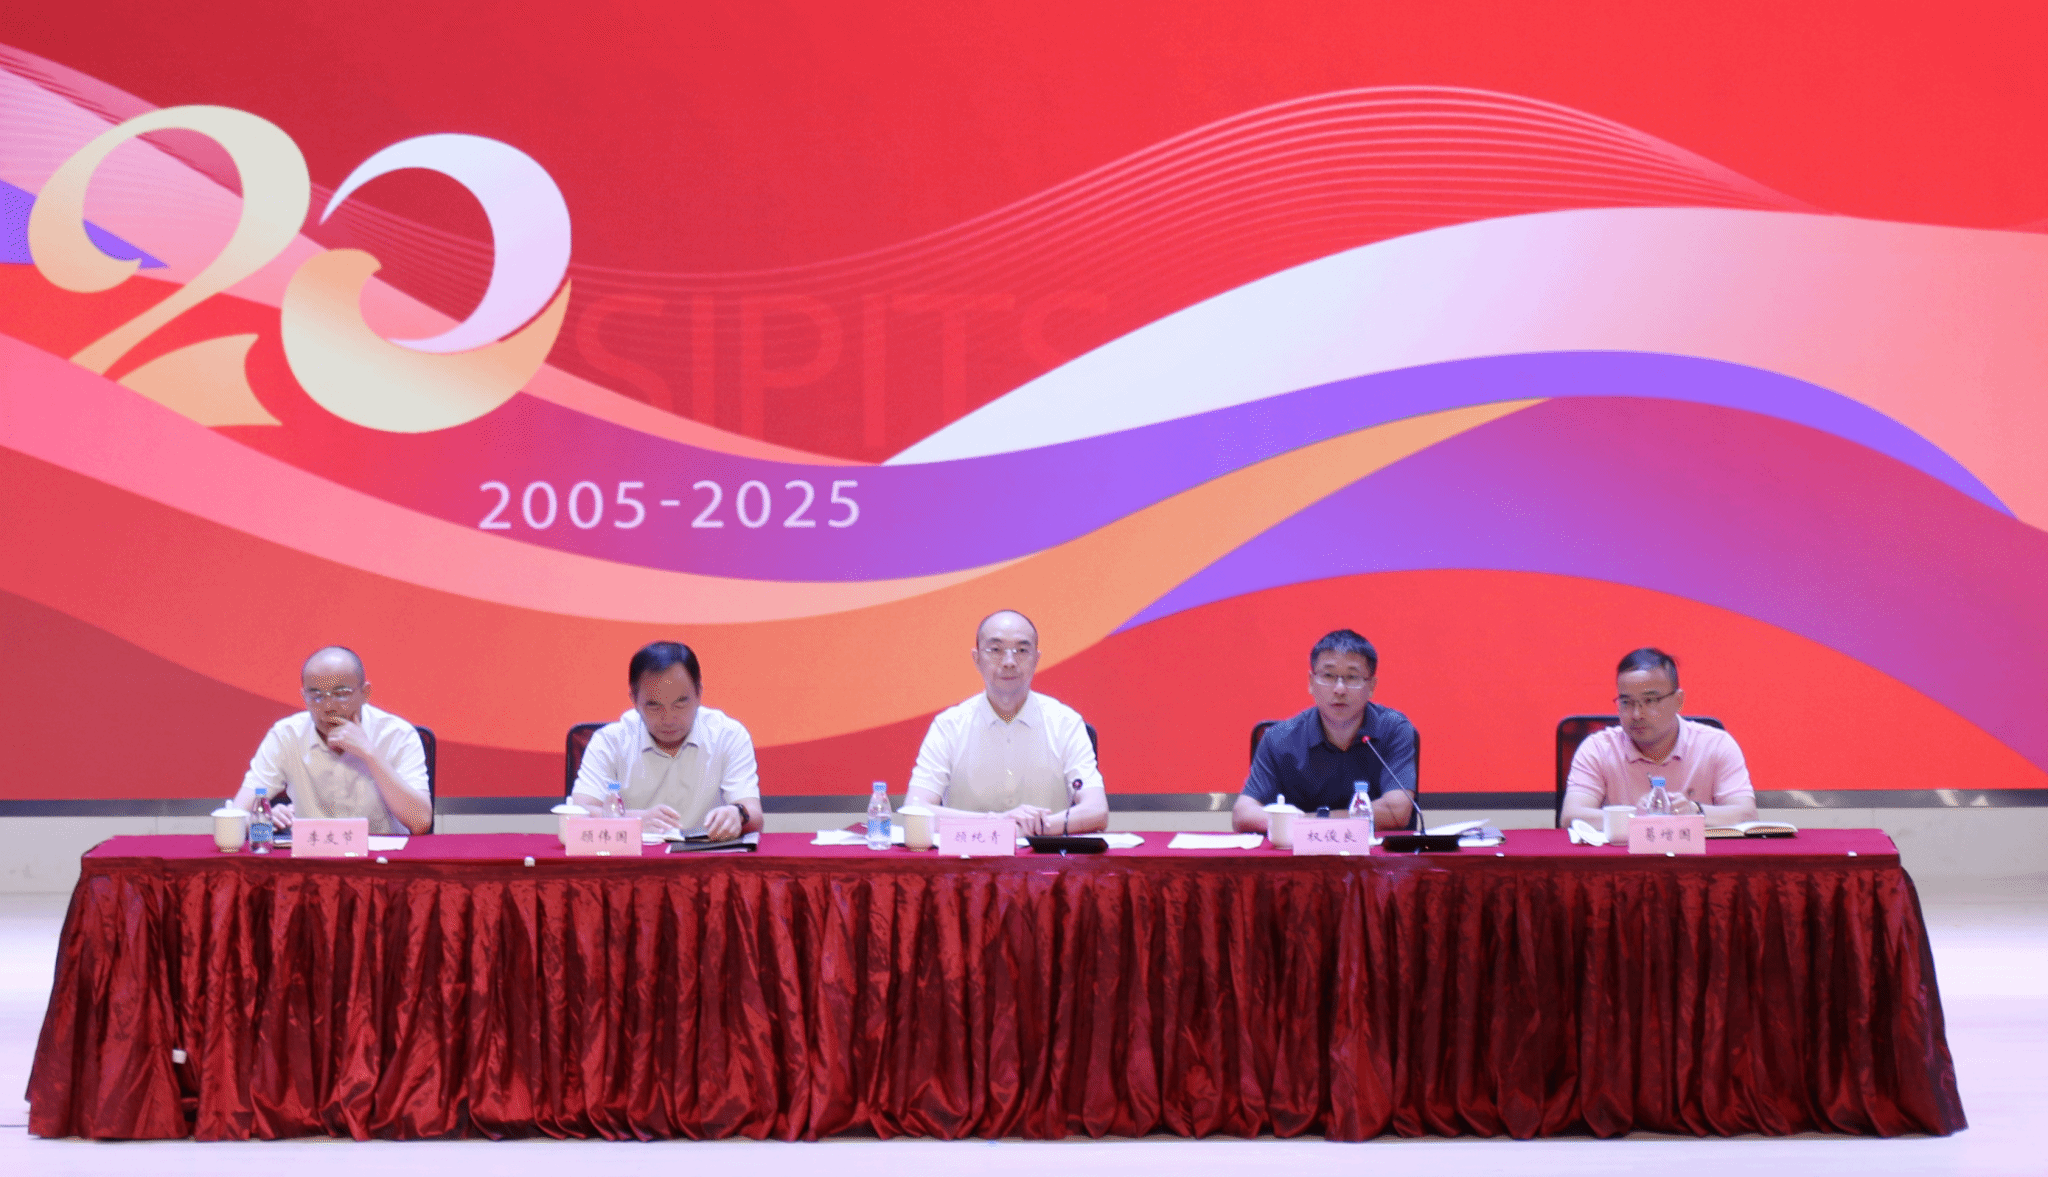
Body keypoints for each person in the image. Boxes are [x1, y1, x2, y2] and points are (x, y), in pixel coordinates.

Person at [905, 610, 1108, 835]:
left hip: (1046, 856)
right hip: (969, 856)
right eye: (995, 650)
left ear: (1036, 659)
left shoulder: (1066, 724)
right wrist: (997, 823)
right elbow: (915, 810)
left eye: (1022, 651)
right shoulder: (949, 727)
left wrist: (1032, 828)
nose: (1009, 662)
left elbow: (1097, 810)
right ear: (976, 659)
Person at [572, 641, 763, 840]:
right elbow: (578, 813)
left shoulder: (728, 735)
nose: (669, 718)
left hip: (706, 854)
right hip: (635, 856)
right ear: (634, 700)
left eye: (680, 703)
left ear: (699, 693)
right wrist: (633, 821)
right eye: (654, 706)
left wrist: (737, 814)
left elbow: (755, 816)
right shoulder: (610, 742)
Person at [233, 646, 434, 835]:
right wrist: (260, 818)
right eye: (316, 696)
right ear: (304, 696)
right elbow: (237, 814)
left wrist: (370, 753)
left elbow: (421, 822)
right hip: (311, 854)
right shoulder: (286, 735)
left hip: (383, 856)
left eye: (341, 694)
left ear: (365, 693)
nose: (329, 706)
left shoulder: (397, 734)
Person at [1233, 629, 1417, 834]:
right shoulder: (1279, 739)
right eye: (1328, 676)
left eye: (1352, 677)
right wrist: (1314, 826)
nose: (1339, 689)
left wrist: (1308, 823)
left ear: (1372, 686)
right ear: (1311, 682)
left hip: (1374, 854)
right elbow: (1243, 814)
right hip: (1299, 853)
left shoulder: (1394, 730)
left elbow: (1397, 811)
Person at [1559, 647, 1758, 828]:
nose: (1637, 714)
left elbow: (1747, 815)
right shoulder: (1598, 749)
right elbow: (1571, 817)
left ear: (1678, 701)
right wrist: (1636, 817)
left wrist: (1695, 811)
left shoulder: (1716, 745)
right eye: (1626, 702)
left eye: (1650, 701)